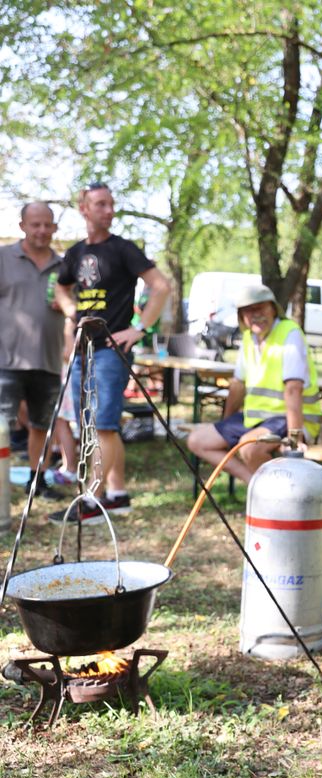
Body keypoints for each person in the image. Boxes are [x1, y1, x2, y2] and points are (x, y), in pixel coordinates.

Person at [51, 183, 171, 523]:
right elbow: (61, 287)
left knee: (101, 425)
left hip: (109, 351)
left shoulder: (123, 250)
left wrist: (139, 328)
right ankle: (117, 494)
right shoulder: (75, 254)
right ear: (84, 209)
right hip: (82, 350)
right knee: (95, 425)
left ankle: (93, 498)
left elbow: (161, 286)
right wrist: (70, 310)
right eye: (100, 204)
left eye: (111, 204)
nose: (108, 210)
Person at [186, 283, 321, 482]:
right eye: (248, 311)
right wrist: (226, 423)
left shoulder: (289, 333)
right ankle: (256, 484)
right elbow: (238, 384)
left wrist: (295, 437)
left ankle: (279, 497)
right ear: (241, 317)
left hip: (288, 418)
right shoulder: (250, 338)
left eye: (260, 309)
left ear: (273, 309)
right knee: (197, 441)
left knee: (248, 447)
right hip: (256, 420)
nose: (255, 315)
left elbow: (293, 389)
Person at [0, 202, 65, 499]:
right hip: (7, 360)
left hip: (48, 360)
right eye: (35, 224)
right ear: (22, 225)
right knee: (2, 426)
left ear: (54, 228)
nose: (41, 230)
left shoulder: (64, 267)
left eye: (47, 225)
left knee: (42, 425)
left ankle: (37, 481)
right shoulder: (4, 258)